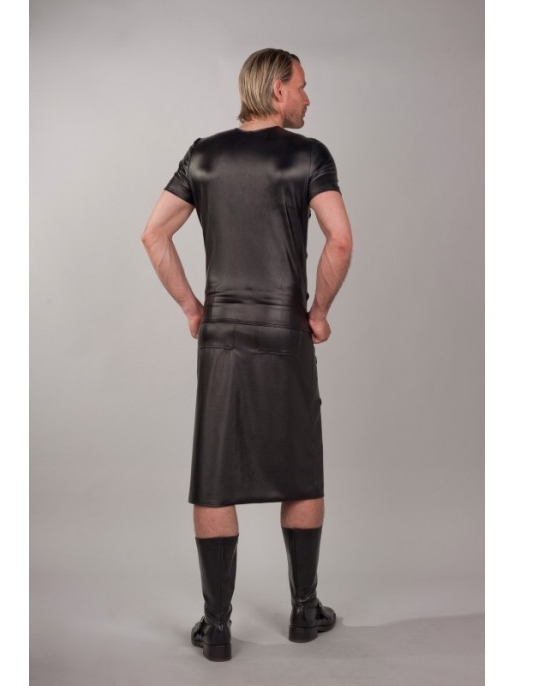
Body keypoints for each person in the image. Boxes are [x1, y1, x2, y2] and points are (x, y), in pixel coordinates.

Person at [141, 48, 353, 661]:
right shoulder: (308, 155)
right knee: (301, 469)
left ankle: (217, 628)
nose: (309, 98)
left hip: (223, 338)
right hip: (286, 332)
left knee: (215, 479)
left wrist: (192, 308)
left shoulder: (203, 155)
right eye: (303, 86)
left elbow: (153, 234)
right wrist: (318, 312)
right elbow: (340, 240)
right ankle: (305, 613)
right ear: (278, 90)